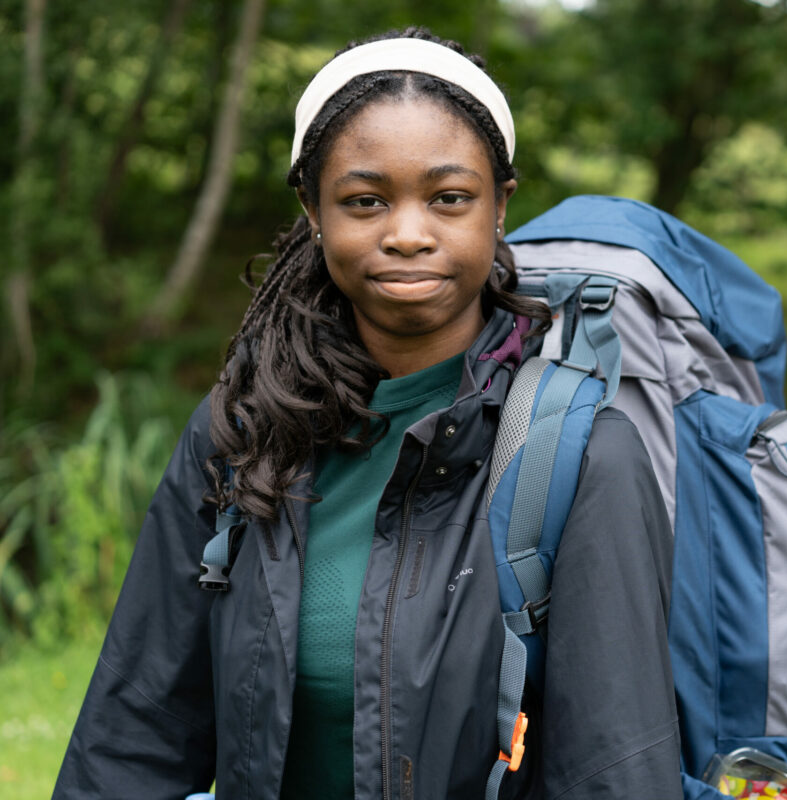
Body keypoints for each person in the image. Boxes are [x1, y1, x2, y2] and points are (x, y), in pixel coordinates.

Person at [54, 27, 683, 800]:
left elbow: (614, 773)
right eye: (365, 200)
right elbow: (134, 734)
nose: (408, 234)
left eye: (449, 198)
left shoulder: (580, 454)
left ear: (499, 206)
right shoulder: (244, 432)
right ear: (314, 210)